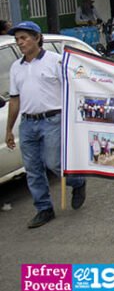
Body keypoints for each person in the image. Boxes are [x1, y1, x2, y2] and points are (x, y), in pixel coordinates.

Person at [5, 21, 87, 228]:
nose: (20, 43)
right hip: (28, 123)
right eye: (17, 40)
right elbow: (14, 100)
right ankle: (44, 209)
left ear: (37, 38)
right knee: (32, 169)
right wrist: (9, 130)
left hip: (53, 120)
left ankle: (78, 181)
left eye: (24, 38)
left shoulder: (56, 61)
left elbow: (73, 88)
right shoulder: (16, 67)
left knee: (54, 163)